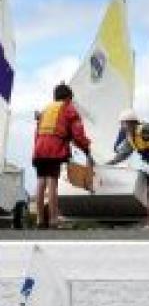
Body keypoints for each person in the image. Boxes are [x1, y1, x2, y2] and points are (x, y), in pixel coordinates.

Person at [32, 83, 93, 228]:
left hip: (39, 148)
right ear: (68, 98)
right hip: (54, 148)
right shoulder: (68, 108)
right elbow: (78, 134)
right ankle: (53, 220)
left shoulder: (46, 109)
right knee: (52, 182)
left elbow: (37, 132)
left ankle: (40, 220)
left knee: (41, 182)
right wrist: (86, 148)